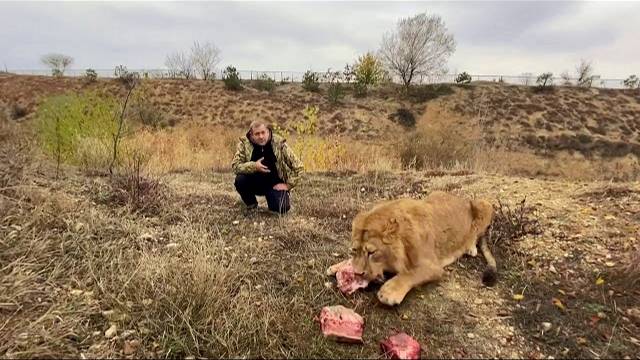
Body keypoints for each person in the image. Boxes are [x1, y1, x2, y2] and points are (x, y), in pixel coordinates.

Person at [231, 121, 304, 214]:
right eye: (257, 134)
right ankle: (251, 204)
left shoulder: (279, 143)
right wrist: (254, 166)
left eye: (263, 132)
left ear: (268, 132)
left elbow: (299, 167)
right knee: (240, 180)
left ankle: (275, 200)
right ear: (251, 135)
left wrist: (288, 185)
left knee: (282, 208)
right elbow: (235, 166)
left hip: (274, 185)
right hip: (254, 183)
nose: (261, 136)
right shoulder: (244, 144)